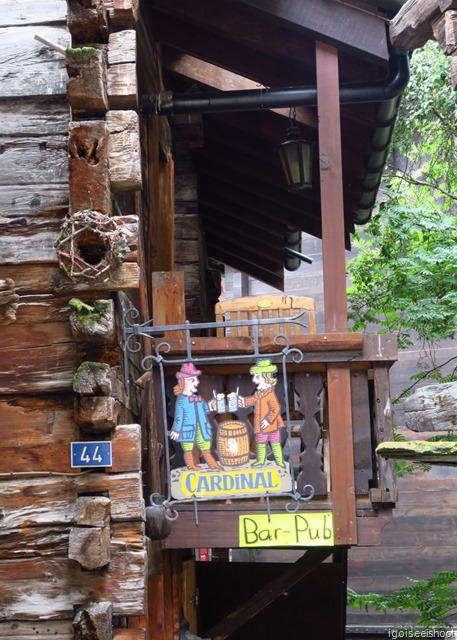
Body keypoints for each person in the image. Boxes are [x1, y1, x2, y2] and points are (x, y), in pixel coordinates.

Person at [170, 362, 222, 471]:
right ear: (184, 381)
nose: (197, 382)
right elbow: (179, 416)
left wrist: (210, 406)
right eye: (193, 380)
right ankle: (191, 465)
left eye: (196, 379)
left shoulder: (197, 398)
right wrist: (176, 430)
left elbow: (204, 408)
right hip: (188, 428)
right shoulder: (182, 400)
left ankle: (213, 464)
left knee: (205, 446)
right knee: (188, 448)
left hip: (201, 427)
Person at [238, 358, 285, 468]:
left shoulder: (269, 394)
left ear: (265, 377)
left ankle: (279, 461)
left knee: (275, 443)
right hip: (262, 424)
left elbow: (275, 409)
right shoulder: (259, 393)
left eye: (257, 376)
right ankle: (261, 461)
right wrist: (243, 402)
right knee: (260, 442)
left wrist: (268, 420)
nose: (254, 380)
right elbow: (251, 400)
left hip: (272, 424)